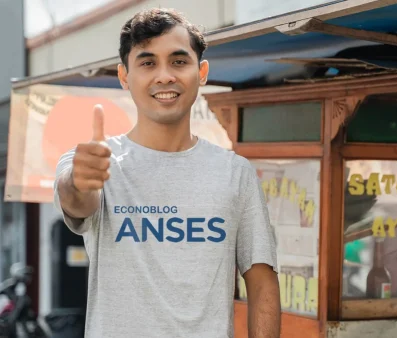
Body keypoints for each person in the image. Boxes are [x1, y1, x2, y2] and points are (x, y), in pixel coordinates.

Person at [53, 8, 280, 338]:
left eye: (178, 61)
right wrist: (78, 181)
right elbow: (77, 201)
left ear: (201, 71)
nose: (164, 76)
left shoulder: (235, 173)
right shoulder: (93, 161)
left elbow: (262, 280)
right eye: (147, 63)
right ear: (124, 76)